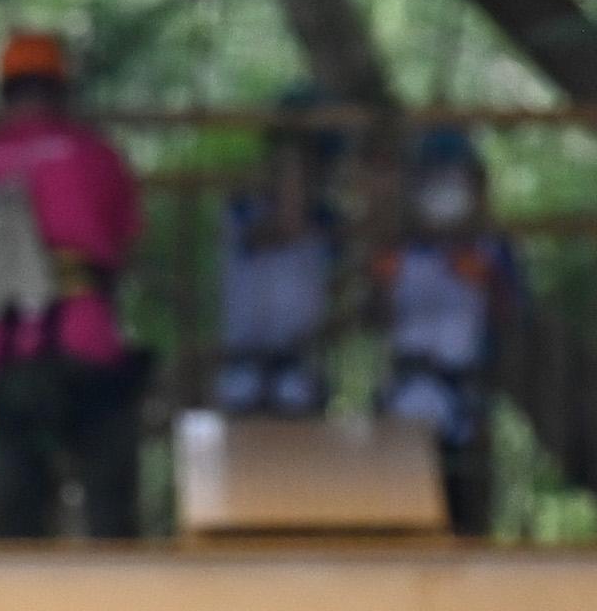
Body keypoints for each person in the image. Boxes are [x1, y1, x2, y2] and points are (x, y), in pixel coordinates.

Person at [0, 30, 143, 539]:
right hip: (90, 341)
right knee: (109, 504)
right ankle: (123, 607)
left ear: (4, 92)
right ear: (61, 89)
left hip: (7, 349)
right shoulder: (96, 154)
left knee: (17, 510)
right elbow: (128, 237)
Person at [372, 127, 518, 535]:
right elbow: (375, 316)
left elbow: (509, 313)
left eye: (454, 179)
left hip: (462, 403)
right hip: (405, 398)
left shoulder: (490, 250)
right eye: (433, 178)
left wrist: (484, 278)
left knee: (463, 516)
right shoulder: (398, 250)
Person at [210, 94, 343, 418]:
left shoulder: (329, 223)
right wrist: (291, 159)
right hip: (241, 377)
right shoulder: (242, 211)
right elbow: (286, 224)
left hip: (297, 377)